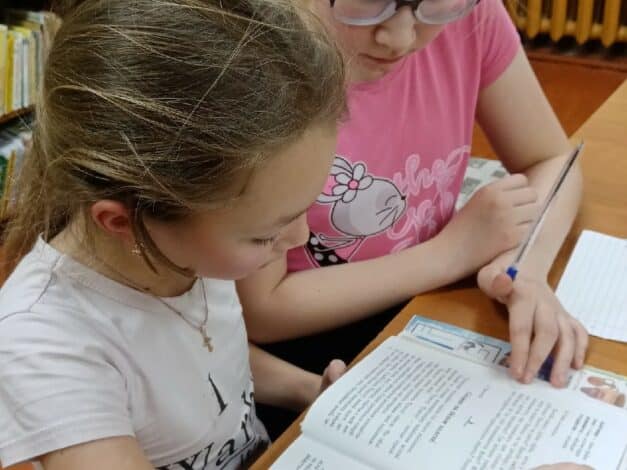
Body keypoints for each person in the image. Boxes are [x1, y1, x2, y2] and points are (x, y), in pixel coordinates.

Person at [0, 0, 348, 468]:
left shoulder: (186, 248)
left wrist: (309, 390)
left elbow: (204, 362)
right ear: (123, 221)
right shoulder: (43, 347)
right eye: (264, 236)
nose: (300, 238)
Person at [239, 0, 589, 392]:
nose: (399, 38)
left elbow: (552, 159)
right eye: (369, 3)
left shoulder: (473, 15)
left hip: (428, 306)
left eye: (436, 5)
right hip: (310, 346)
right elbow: (261, 311)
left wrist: (524, 264)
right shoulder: (261, 61)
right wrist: (450, 254)